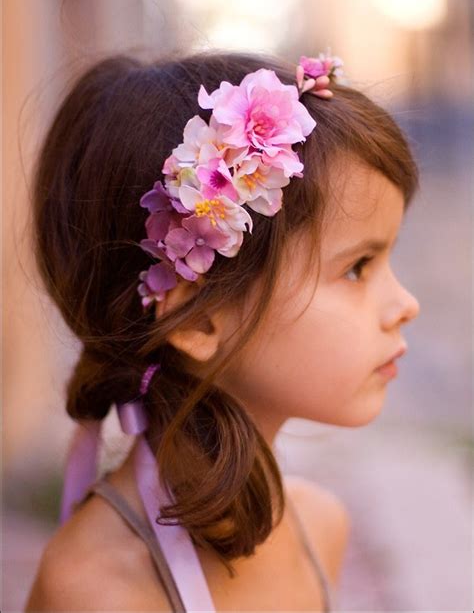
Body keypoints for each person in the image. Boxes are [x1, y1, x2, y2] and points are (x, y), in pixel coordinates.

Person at [24, 49, 420, 612]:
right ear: (201, 319)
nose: (406, 304)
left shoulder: (319, 526)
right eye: (357, 267)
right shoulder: (95, 589)